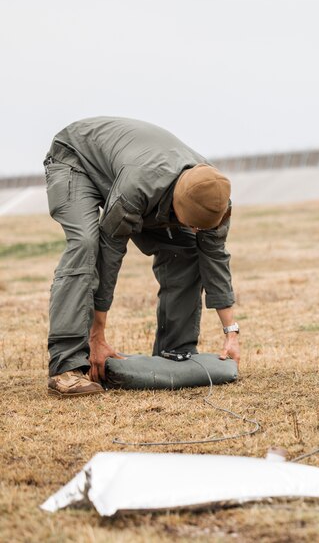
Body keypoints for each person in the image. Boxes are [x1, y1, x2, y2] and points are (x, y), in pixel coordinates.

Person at [43, 117, 241, 396]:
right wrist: (97, 336)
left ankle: (175, 353)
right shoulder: (137, 189)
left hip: (130, 169)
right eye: (192, 223)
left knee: (185, 247)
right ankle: (66, 366)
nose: (196, 229)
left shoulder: (214, 193)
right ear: (176, 204)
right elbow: (109, 256)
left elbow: (215, 257)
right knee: (86, 244)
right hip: (75, 158)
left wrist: (231, 332)